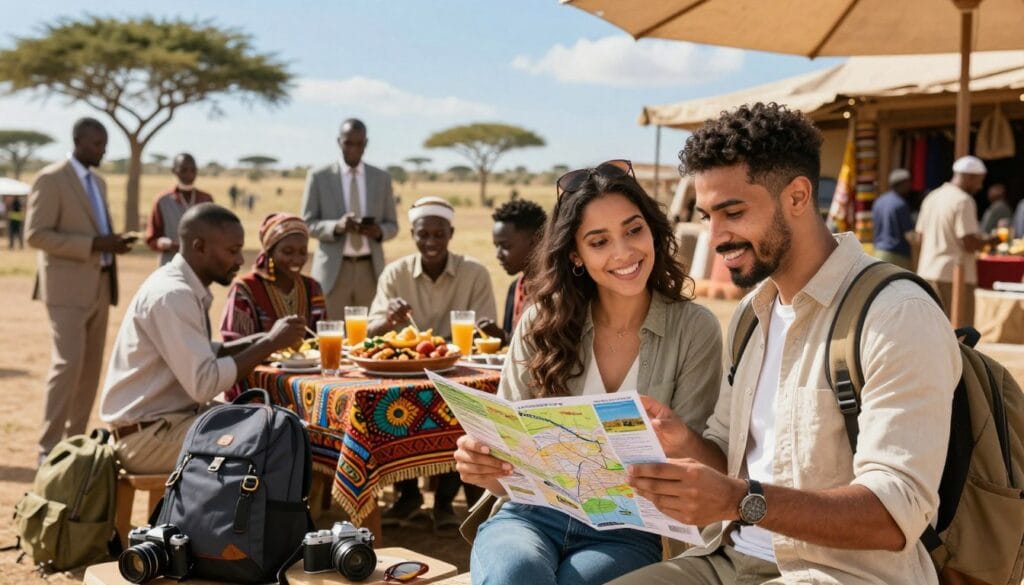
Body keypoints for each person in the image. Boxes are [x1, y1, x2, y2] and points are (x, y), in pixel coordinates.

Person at [602, 103, 960, 585]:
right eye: (708, 216)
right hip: (726, 559)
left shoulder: (896, 314)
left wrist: (737, 500)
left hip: (842, 574)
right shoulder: (753, 313)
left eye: (733, 212)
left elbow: (896, 513)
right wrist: (680, 440)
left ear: (797, 196)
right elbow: (730, 463)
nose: (717, 237)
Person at [454, 160, 723, 584]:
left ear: (652, 230)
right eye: (599, 241)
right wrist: (482, 464)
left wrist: (681, 439)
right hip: (528, 516)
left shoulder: (695, 329)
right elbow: (503, 459)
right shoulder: (540, 321)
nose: (623, 252)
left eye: (634, 230)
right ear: (576, 255)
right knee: (516, 572)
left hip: (628, 531)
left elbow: (706, 469)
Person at [99, 204, 306, 474]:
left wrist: (265, 338)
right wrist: (270, 344)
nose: (239, 260)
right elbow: (204, 384)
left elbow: (205, 352)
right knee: (272, 439)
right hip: (148, 439)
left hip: (169, 423)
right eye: (232, 251)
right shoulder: (173, 294)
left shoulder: (180, 287)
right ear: (199, 247)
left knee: (272, 420)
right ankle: (236, 517)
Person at [367, 195, 496, 533]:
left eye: (439, 235)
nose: (431, 242)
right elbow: (369, 331)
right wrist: (387, 321)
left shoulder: (475, 273)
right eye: (424, 235)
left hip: (458, 369)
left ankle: (443, 502)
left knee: (461, 405)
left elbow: (485, 329)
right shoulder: (395, 274)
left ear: (450, 234)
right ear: (413, 235)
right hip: (404, 371)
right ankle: (407, 495)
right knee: (392, 408)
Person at [25, 117, 134, 462]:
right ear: (78, 141)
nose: (102, 150)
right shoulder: (51, 178)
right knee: (68, 365)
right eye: (96, 144)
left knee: (89, 369)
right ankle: (48, 449)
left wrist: (112, 245)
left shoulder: (98, 183)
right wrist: (93, 244)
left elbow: (96, 231)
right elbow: (36, 235)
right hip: (66, 289)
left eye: (104, 144)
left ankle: (73, 446)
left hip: (101, 286)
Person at [218, 212, 327, 399]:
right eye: (287, 252)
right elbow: (233, 349)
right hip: (257, 388)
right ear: (270, 251)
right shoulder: (246, 289)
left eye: (303, 252)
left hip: (309, 384)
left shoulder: (312, 287)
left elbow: (321, 339)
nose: (297, 260)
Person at [301, 118, 399, 318]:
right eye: (348, 143)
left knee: (370, 336)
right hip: (333, 272)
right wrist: (336, 226)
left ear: (366, 143)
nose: (353, 149)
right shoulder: (319, 177)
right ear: (339, 142)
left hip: (370, 270)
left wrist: (378, 231)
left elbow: (393, 225)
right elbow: (307, 223)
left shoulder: (381, 178)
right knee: (332, 336)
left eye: (359, 143)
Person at [916, 156, 996, 323]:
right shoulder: (963, 200)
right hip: (954, 277)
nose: (980, 186)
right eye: (979, 181)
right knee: (960, 333)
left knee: (931, 328)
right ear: (969, 177)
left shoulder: (932, 197)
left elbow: (919, 237)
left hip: (926, 272)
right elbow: (968, 243)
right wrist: (991, 241)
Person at [476, 199, 547, 345]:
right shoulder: (515, 287)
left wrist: (504, 338)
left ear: (536, 241)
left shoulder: (556, 290)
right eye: (496, 246)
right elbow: (512, 348)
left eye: (505, 246)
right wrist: (500, 337)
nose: (498, 254)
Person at [145, 153, 214, 266]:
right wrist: (164, 244)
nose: (189, 174)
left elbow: (213, 234)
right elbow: (152, 238)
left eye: (192, 170)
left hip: (199, 266)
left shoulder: (206, 199)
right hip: (170, 264)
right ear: (174, 170)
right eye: (184, 170)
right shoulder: (162, 201)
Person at [871, 168, 915, 269]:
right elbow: (909, 234)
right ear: (902, 183)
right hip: (897, 256)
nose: (910, 185)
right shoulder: (901, 204)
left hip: (878, 253)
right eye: (908, 182)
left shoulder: (879, 202)